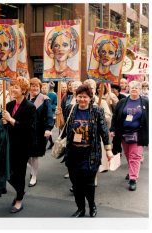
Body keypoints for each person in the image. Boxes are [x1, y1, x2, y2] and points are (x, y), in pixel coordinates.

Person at [56, 84, 113, 217]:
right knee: (76, 184)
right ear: (76, 97)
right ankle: (80, 208)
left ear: (90, 98)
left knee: (89, 184)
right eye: (80, 96)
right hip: (73, 154)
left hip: (90, 154)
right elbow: (63, 129)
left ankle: (92, 205)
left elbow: (104, 131)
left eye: (85, 97)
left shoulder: (97, 111)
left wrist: (108, 150)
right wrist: (59, 117)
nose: (82, 99)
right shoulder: (70, 109)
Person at [2, 76, 36, 213]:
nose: (12, 89)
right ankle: (20, 190)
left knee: (19, 173)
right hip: (10, 144)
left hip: (23, 146)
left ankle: (19, 200)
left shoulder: (30, 107)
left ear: (23, 90)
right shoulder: (9, 105)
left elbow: (29, 128)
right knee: (7, 172)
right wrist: (4, 122)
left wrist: (11, 120)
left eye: (16, 87)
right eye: (12, 86)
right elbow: (7, 126)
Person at [110, 80, 149, 191]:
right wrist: (113, 129)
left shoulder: (145, 102)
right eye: (132, 87)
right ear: (128, 88)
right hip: (124, 134)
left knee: (135, 156)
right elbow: (115, 116)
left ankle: (133, 179)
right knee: (128, 154)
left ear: (140, 89)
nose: (134, 89)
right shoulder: (122, 102)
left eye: (136, 87)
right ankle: (132, 170)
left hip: (139, 134)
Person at [27, 78, 54, 187]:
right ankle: (33, 169)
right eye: (32, 86)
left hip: (38, 131)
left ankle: (34, 175)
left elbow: (49, 115)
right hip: (25, 130)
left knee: (34, 155)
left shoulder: (45, 99)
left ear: (40, 87)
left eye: (36, 86)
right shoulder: (25, 98)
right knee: (26, 155)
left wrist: (48, 128)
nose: (34, 88)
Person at [41, 82, 57, 149]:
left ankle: (43, 146)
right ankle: (52, 143)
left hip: (52, 116)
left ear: (48, 89)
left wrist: (48, 106)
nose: (44, 89)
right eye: (43, 88)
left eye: (45, 88)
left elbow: (55, 105)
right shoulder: (40, 96)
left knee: (48, 130)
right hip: (43, 117)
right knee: (46, 130)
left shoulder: (53, 95)